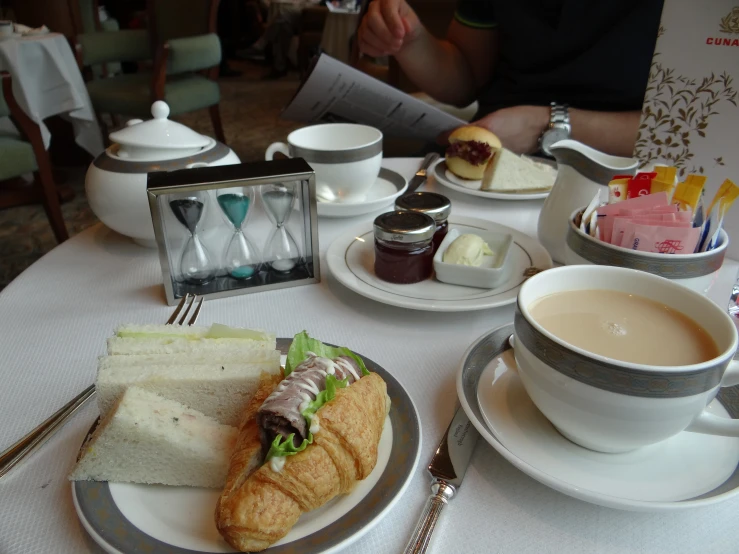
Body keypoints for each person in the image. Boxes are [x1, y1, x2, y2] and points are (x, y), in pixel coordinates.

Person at [357, 0, 664, 157]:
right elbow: (466, 81)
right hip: (492, 158)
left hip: (623, 176)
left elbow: (692, 131)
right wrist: (412, 42)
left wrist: (545, 126)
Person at [244, 0, 324, 79]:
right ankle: (279, 67)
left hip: (314, 10)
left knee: (283, 13)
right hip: (302, 7)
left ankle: (261, 45)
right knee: (283, 25)